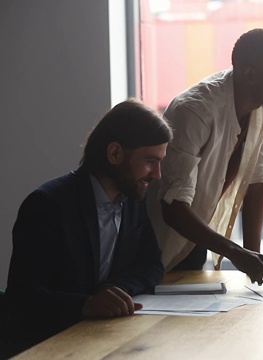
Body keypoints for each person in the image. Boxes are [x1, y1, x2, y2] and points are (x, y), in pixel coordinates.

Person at [4, 100, 171, 353]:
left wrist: (116, 289)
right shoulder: (47, 206)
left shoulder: (133, 197)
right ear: (115, 153)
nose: (157, 174)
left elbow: (151, 264)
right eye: (150, 160)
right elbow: (23, 299)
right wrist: (87, 304)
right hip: (50, 345)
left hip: (105, 338)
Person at [146, 28, 263, 285]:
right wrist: (235, 251)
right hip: (154, 242)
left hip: (195, 239)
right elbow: (172, 206)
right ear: (249, 74)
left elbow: (259, 181)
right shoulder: (194, 111)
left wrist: (254, 257)